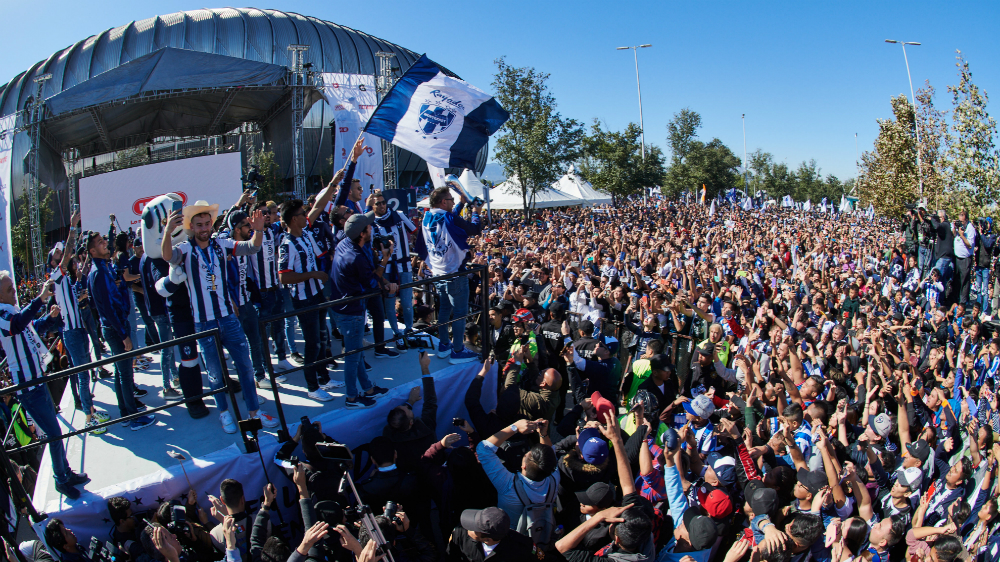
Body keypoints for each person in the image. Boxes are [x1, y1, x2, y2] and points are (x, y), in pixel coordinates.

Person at [161, 202, 279, 433]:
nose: (204, 228)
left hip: (228, 319)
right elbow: (167, 256)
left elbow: (252, 248)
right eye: (199, 225)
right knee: (215, 373)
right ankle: (224, 413)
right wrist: (167, 232)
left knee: (244, 366)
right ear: (192, 227)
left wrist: (259, 230)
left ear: (212, 224)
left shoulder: (222, 245)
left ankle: (254, 412)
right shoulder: (185, 249)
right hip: (204, 324)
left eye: (207, 223)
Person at [0, 274, 91, 499]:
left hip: (37, 380)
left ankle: (66, 472)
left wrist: (50, 318)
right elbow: (17, 325)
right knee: (53, 433)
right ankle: (61, 479)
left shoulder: (12, 309)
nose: (14, 291)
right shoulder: (2, 315)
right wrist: (40, 299)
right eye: (10, 288)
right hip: (28, 386)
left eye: (13, 287)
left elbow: (33, 327)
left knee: (55, 432)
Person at [87, 232, 156, 432]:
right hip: (116, 329)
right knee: (125, 374)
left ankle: (126, 413)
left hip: (116, 326)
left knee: (121, 373)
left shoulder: (103, 269)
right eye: (100, 242)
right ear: (93, 251)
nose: (105, 243)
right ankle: (133, 417)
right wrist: (123, 334)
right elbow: (107, 309)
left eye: (104, 240)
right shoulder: (98, 273)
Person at [49, 212, 110, 434]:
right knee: (83, 376)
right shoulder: (56, 275)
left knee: (85, 373)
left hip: (77, 330)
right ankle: (89, 419)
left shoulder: (64, 280)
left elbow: (69, 303)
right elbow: (68, 252)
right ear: (53, 263)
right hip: (72, 333)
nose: (63, 256)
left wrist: (79, 298)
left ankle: (91, 411)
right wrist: (73, 226)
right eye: (57, 255)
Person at [328, 211, 393, 408]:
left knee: (357, 354)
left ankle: (368, 388)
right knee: (353, 357)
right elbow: (373, 283)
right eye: (369, 226)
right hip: (351, 312)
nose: (372, 228)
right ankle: (351, 398)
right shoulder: (355, 256)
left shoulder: (344, 243)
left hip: (341, 308)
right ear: (363, 234)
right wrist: (384, 259)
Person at [417, 186, 482, 364]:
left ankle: (444, 345)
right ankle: (458, 351)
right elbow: (474, 229)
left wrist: (460, 206)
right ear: (444, 202)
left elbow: (449, 219)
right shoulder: (448, 216)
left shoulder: (427, 216)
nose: (453, 202)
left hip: (438, 273)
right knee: (460, 313)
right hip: (454, 272)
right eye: (451, 200)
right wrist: (476, 212)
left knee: (444, 309)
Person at [445, 507, 536, 561]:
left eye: (474, 529)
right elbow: (451, 557)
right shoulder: (459, 533)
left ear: (487, 539)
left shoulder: (524, 546)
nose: (467, 528)